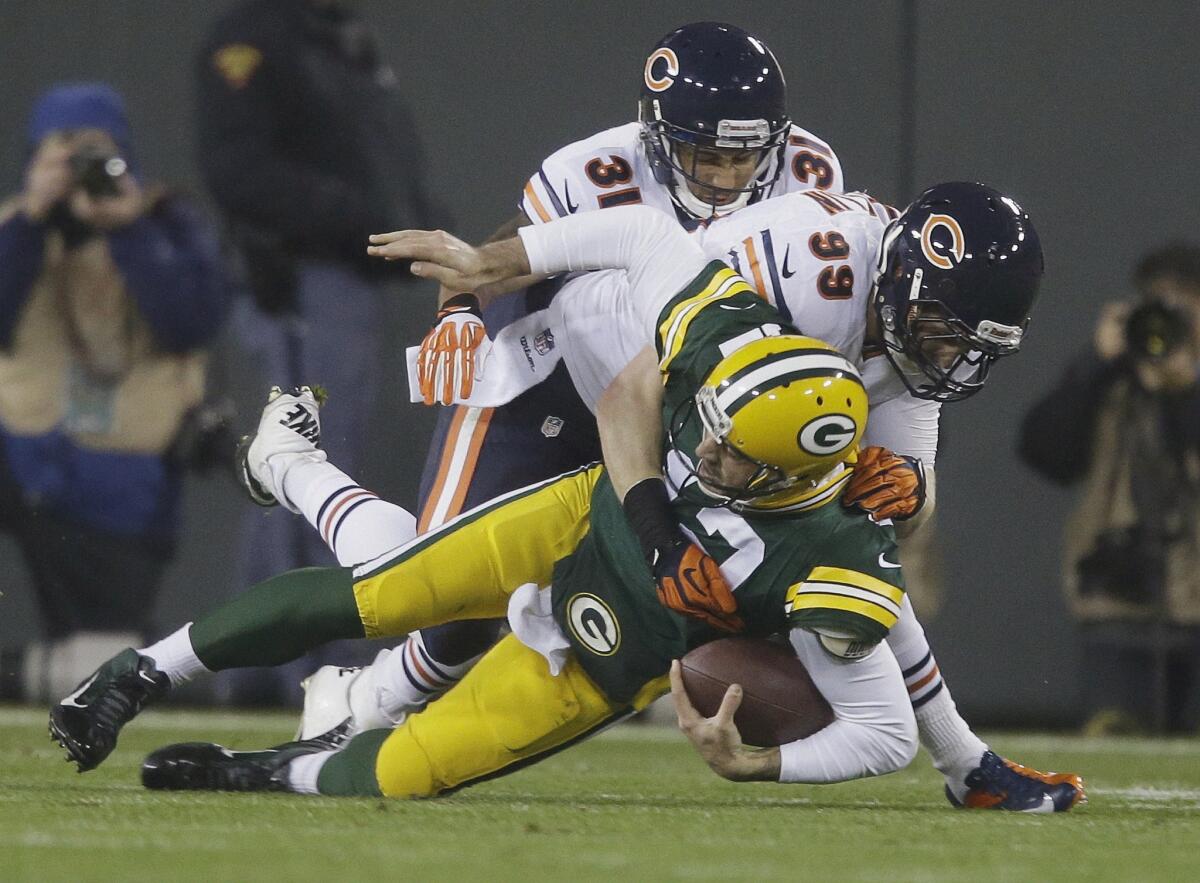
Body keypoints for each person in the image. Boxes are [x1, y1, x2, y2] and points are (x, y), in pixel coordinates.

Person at [54, 186, 1082, 811]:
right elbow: (638, 372)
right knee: (410, 590)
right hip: (587, 393)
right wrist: (486, 267)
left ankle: (277, 760)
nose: (946, 360)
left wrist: (786, 756)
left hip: (625, 626)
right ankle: (259, 550)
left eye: (967, 347)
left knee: (419, 758)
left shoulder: (847, 518)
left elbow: (899, 559)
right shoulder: (761, 298)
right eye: (941, 330)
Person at [299, 17, 853, 731]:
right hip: (542, 385)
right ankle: (296, 471)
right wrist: (459, 311)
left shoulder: (811, 174)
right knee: (438, 592)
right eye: (704, 155)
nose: (725, 177)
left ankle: (384, 698)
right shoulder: (595, 173)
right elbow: (493, 254)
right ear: (656, 137)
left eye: (745, 157)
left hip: (669, 404)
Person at [194, 0, 450, 699]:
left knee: (303, 464)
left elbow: (381, 156)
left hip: (344, 277)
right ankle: (306, 663)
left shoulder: (336, 38)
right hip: (298, 275)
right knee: (305, 462)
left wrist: (417, 224)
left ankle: (253, 666)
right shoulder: (253, 35)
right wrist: (360, 217)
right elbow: (237, 169)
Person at [0, 83, 229, 700]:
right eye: (61, 154)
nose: (80, 172)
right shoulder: (15, 228)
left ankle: (29, 672)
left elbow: (193, 323)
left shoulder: (167, 224)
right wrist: (31, 219)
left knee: (103, 664)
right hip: (20, 458)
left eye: (95, 156)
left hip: (118, 477)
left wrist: (128, 230)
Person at [1019, 242, 1200, 732]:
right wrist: (1094, 366)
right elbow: (1046, 454)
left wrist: (1185, 394)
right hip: (1120, 603)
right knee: (1115, 738)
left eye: (1186, 303)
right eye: (1158, 301)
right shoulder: (1112, 381)